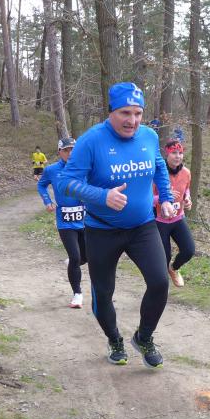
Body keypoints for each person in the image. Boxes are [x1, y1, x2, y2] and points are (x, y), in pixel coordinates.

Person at [56, 82, 176, 368]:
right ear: (110, 111)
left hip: (142, 226)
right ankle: (114, 339)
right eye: (125, 113)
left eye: (138, 113)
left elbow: (159, 166)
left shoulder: (148, 136)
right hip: (101, 230)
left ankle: (144, 338)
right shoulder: (91, 141)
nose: (132, 120)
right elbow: (65, 182)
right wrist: (102, 196)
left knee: (160, 282)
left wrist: (166, 198)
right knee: (103, 292)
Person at [37, 137, 86, 309]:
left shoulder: (84, 167)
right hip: (65, 222)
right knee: (75, 257)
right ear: (60, 152)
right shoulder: (51, 170)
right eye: (66, 150)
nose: (70, 153)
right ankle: (77, 294)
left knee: (86, 257)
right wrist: (47, 201)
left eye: (73, 149)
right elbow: (41, 185)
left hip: (86, 220)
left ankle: (73, 262)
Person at [153, 139, 194, 288]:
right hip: (159, 221)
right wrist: (163, 197)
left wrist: (187, 199)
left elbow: (186, 189)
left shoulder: (186, 172)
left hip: (178, 218)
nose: (178, 156)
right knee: (164, 257)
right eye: (174, 153)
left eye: (180, 153)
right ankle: (160, 288)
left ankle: (174, 268)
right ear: (167, 154)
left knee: (189, 250)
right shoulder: (157, 172)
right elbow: (147, 198)